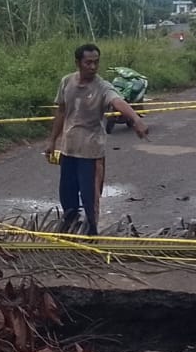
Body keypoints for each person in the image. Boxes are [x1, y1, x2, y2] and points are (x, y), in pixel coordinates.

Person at [45, 44, 149, 235]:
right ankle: (69, 229)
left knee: (90, 198)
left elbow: (117, 101)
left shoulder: (102, 86)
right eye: (88, 63)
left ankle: (92, 234)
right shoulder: (66, 82)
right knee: (67, 195)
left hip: (91, 152)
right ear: (78, 63)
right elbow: (61, 111)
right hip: (68, 149)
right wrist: (52, 140)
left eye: (96, 62)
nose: (93, 67)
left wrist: (135, 119)